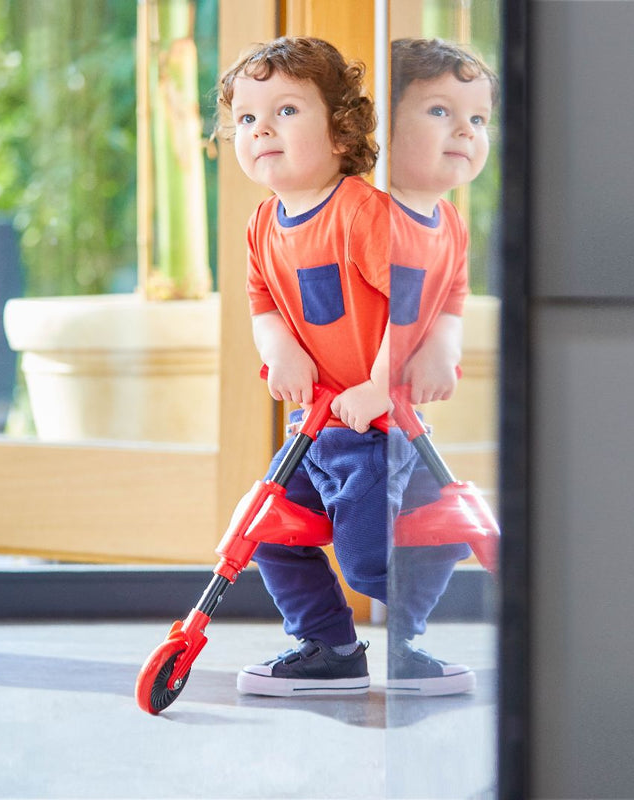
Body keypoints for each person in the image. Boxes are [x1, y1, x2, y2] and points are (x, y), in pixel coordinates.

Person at [215, 35, 498, 697]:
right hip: (315, 425)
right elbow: (262, 300)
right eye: (247, 118)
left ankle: (410, 634)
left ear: (342, 133)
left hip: (372, 428)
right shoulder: (263, 224)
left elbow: (415, 305)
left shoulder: (363, 214)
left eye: (285, 112)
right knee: (271, 532)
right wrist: (279, 350)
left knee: (373, 564)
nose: (261, 130)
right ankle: (330, 648)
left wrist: (384, 380)